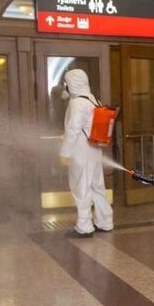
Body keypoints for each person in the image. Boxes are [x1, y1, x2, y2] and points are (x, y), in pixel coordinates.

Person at [59, 69, 114, 237]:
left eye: (66, 84)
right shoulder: (93, 100)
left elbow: (73, 131)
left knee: (81, 188)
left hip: (81, 151)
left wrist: (65, 153)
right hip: (94, 150)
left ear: (71, 84)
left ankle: (84, 227)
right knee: (97, 187)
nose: (65, 87)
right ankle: (105, 221)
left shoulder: (77, 103)